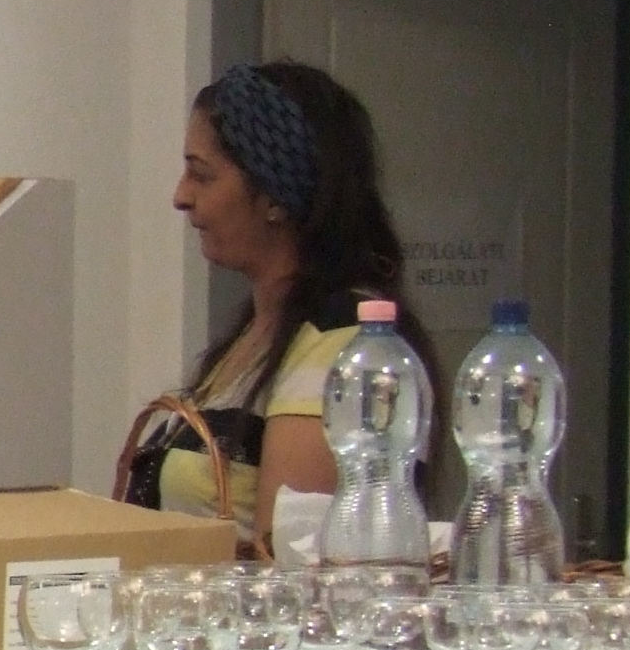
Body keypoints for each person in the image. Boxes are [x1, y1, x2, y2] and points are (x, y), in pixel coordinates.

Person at [128, 60, 431, 551]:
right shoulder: (258, 332)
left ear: (273, 197)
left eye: (202, 175)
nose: (181, 197)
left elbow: (285, 560)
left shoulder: (341, 347)